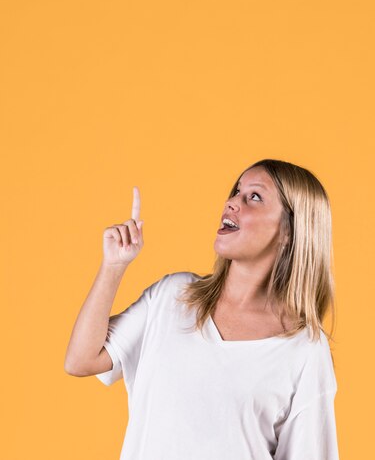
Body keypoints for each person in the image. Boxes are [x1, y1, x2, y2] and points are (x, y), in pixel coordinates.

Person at [64, 158, 340, 459]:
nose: (232, 202)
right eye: (236, 191)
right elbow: (81, 360)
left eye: (254, 197)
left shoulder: (304, 349)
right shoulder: (173, 297)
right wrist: (114, 266)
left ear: (289, 231)